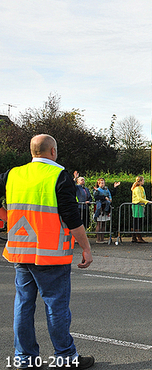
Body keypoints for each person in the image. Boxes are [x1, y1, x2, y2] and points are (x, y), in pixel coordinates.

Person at [0, 134, 95, 370]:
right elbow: (72, 217)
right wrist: (86, 248)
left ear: (33, 152)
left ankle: (25, 359)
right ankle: (65, 357)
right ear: (52, 151)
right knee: (56, 307)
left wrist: (6, 219)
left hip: (21, 251)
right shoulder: (59, 175)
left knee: (23, 305)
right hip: (50, 254)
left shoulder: (13, 174)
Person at [93, 178, 120, 244]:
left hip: (105, 207)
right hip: (99, 208)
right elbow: (96, 197)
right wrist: (104, 197)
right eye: (101, 183)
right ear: (98, 184)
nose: (103, 184)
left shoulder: (106, 189)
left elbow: (112, 193)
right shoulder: (97, 189)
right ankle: (98, 239)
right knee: (99, 224)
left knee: (104, 223)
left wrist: (115, 187)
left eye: (103, 183)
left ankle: (102, 238)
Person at [131, 176, 152, 243]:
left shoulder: (140, 188)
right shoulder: (137, 188)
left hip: (140, 206)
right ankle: (138, 237)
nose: (144, 181)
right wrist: (149, 202)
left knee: (138, 221)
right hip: (137, 206)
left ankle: (135, 237)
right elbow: (139, 198)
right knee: (137, 221)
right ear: (140, 181)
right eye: (143, 180)